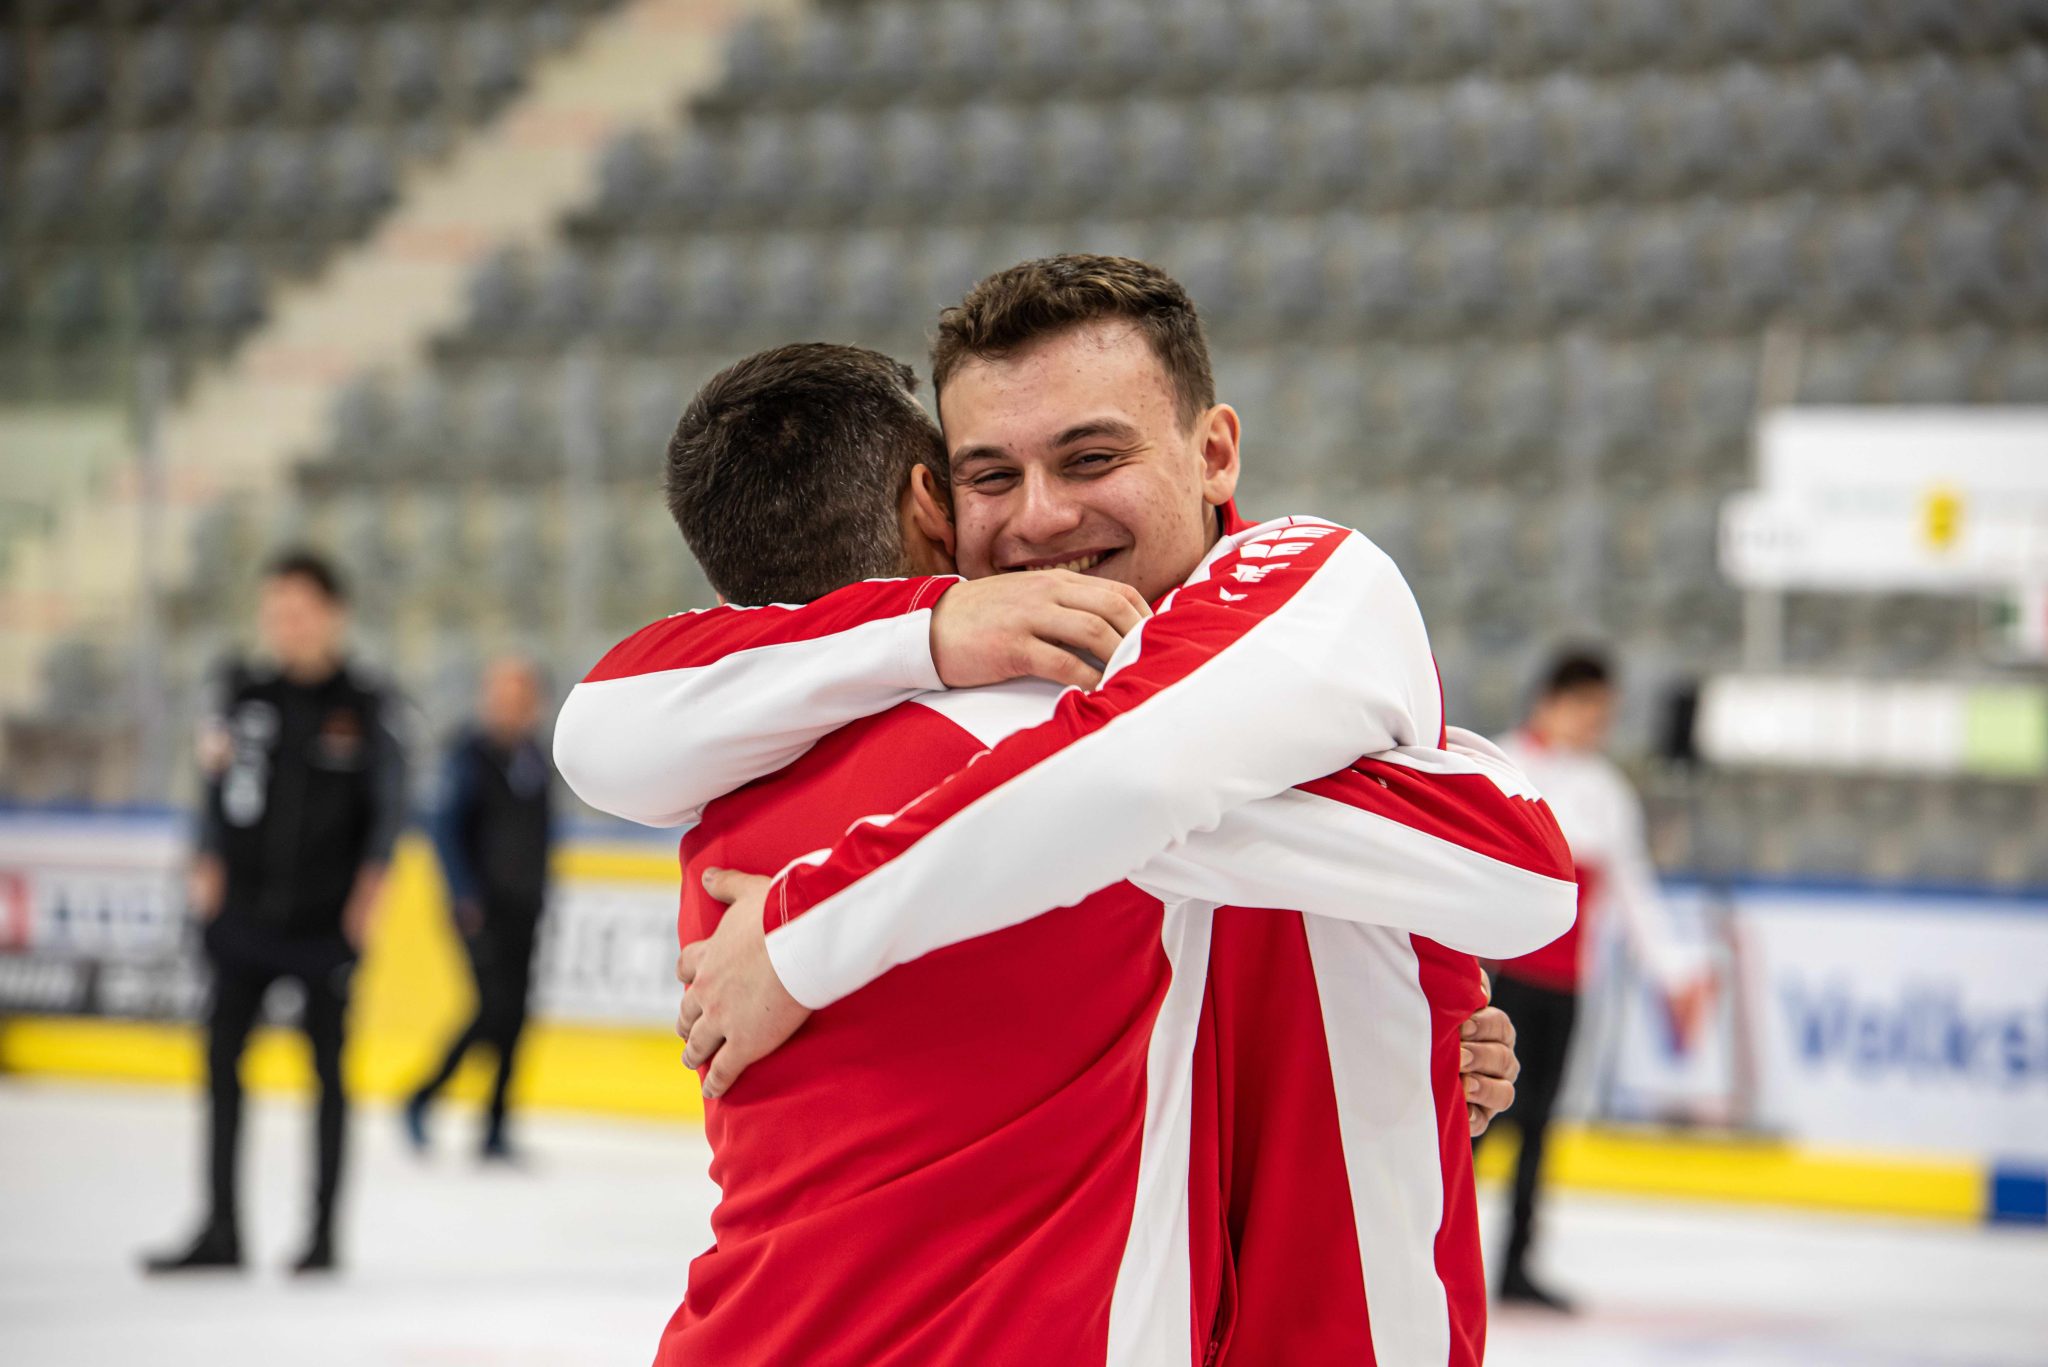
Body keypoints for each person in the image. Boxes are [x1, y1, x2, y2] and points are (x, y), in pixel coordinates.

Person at [557, 258, 1576, 1363]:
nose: (1042, 516)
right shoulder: (954, 705)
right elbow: (1504, 864)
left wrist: (801, 931)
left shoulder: (1308, 581)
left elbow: (1128, 781)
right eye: (990, 474)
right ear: (934, 502)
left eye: (1091, 457)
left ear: (1213, 451)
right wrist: (936, 629)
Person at [144, 550, 407, 1276]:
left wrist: (366, 900)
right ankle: (221, 1229)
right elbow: (211, 787)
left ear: (331, 614)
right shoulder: (239, 691)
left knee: (329, 1075)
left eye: (296, 610)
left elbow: (389, 812)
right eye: (273, 612)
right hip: (243, 918)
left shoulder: (366, 703)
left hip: (325, 925)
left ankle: (322, 1235)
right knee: (222, 1066)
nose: (282, 625)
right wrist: (205, 870)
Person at [1478, 648, 1715, 1312]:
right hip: (1501, 981)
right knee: (1476, 1119)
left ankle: (1516, 1265)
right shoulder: (1497, 764)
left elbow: (1634, 891)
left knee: (1540, 1124)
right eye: (1589, 708)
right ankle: (1434, 1248)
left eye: (1607, 714)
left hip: (1566, 986)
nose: (1598, 724)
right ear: (1551, 700)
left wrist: (1676, 971)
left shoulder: (1607, 792)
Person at [403, 655, 553, 1163]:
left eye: (519, 697)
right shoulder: (467, 754)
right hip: (479, 908)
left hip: (524, 907)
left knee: (516, 1018)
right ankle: (423, 1094)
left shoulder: (534, 759)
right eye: (501, 695)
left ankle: (494, 1128)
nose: (509, 706)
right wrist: (462, 894)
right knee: (492, 1009)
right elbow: (444, 832)